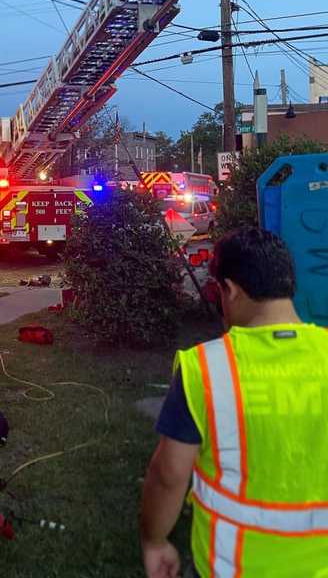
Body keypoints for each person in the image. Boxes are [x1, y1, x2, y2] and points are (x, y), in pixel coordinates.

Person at [140, 226, 328, 578]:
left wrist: (154, 541)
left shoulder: (206, 369)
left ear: (230, 290)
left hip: (231, 567)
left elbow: (169, 475)